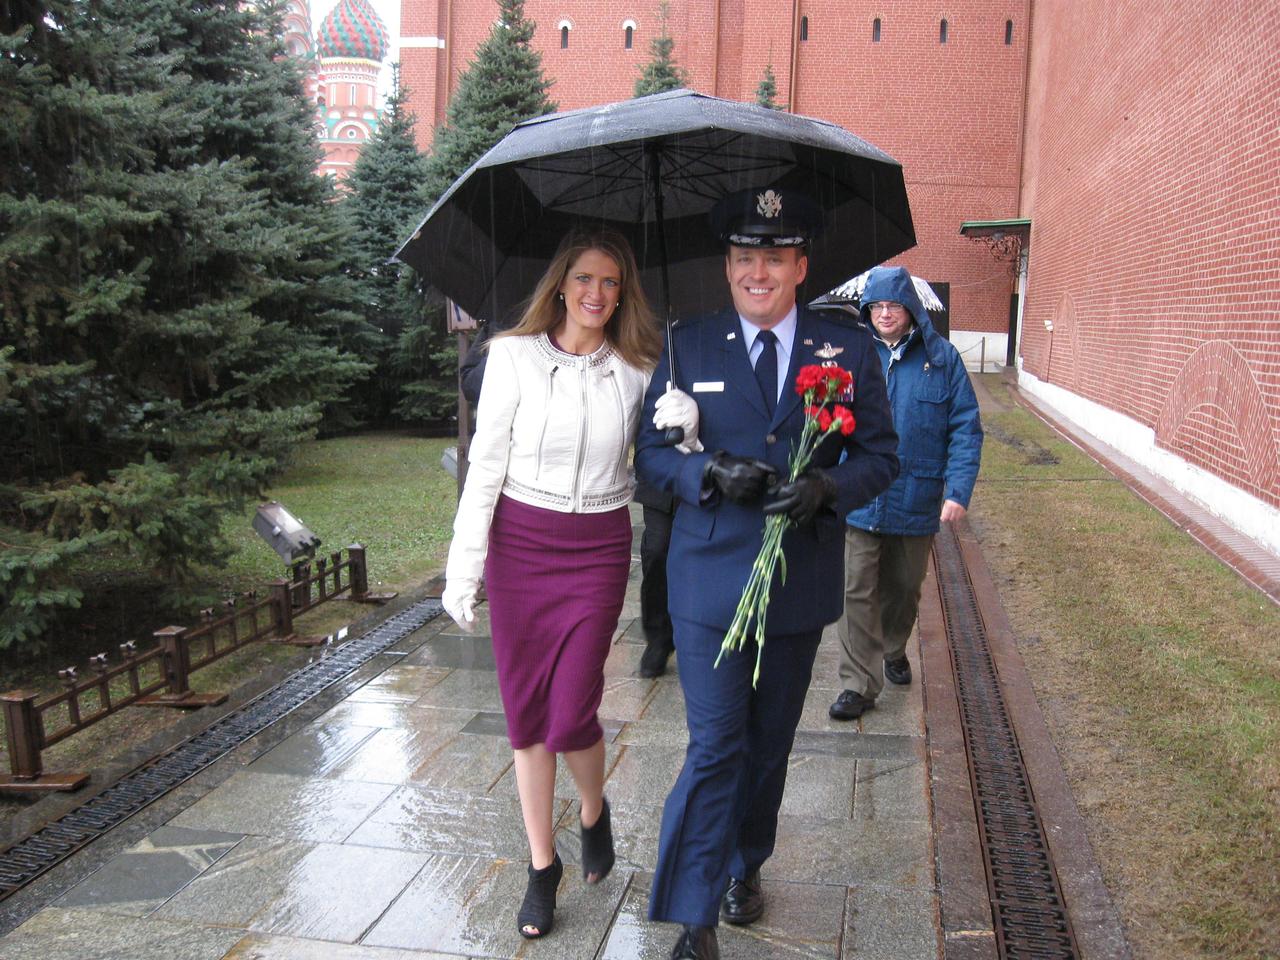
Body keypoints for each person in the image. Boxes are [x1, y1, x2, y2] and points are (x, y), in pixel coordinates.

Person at [634, 187, 899, 960]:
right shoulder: (689, 345)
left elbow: (882, 456)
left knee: (769, 744)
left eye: (775, 258)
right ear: (727, 264)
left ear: (801, 264)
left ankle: (746, 865)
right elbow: (649, 457)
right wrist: (708, 470)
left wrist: (826, 488)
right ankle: (695, 915)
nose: (759, 272)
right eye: (745, 257)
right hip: (709, 582)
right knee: (716, 745)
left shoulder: (843, 349)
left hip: (796, 583)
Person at [441, 228, 684, 940]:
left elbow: (662, 457)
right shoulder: (512, 357)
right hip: (521, 544)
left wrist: (684, 425)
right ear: (560, 283)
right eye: (584, 278)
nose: (596, 294)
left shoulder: (638, 369)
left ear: (623, 291)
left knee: (572, 710)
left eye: (611, 282)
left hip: (599, 546)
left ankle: (592, 809)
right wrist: (465, 565)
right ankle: (542, 867)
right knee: (528, 716)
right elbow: (484, 464)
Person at [828, 265, 983, 720]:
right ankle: (858, 684)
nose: (884, 314)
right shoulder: (853, 355)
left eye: (893, 305)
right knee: (855, 589)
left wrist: (958, 489)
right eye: (876, 306)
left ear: (911, 309)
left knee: (902, 590)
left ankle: (894, 646)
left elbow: (965, 428)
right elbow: (826, 419)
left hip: (915, 496)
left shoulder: (943, 359)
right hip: (858, 496)